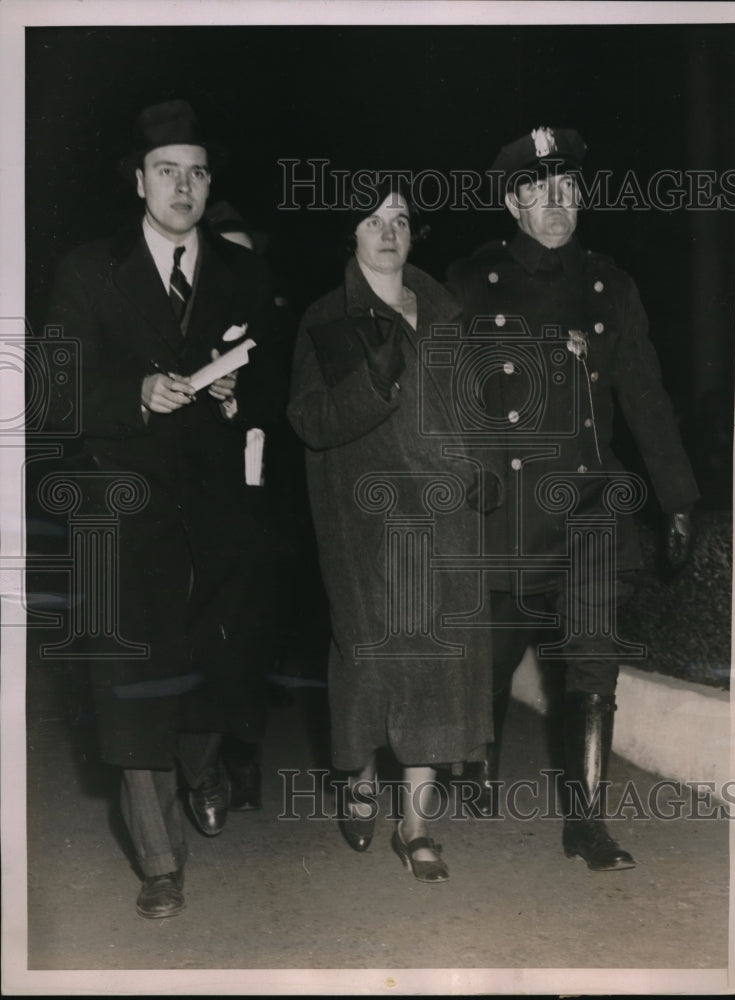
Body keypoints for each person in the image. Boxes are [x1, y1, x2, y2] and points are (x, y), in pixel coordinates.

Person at [46, 100, 285, 916]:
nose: (182, 187)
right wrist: (135, 394)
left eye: (196, 172)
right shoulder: (88, 269)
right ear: (138, 182)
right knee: (131, 680)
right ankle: (159, 862)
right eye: (166, 171)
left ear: (209, 183)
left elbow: (271, 393)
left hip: (218, 509)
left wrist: (233, 404)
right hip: (124, 504)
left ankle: (203, 760)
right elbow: (55, 391)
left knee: (219, 660)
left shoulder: (243, 269)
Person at [447, 127, 699, 870]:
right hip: (503, 513)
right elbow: (441, 398)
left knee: (592, 665)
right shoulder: (469, 281)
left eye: (566, 188)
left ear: (581, 196)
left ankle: (585, 822)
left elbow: (645, 397)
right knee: (488, 658)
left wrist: (677, 497)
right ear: (510, 201)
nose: (555, 203)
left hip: (589, 509)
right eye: (536, 189)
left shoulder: (608, 285)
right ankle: (476, 756)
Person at [287, 181, 492, 884]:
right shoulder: (325, 319)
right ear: (349, 233)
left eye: (399, 219)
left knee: (435, 664)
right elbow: (309, 421)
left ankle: (417, 825)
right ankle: (358, 776)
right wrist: (371, 387)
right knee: (371, 661)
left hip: (443, 517)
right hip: (365, 522)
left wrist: (484, 462)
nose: (387, 231)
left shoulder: (444, 309)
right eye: (372, 219)